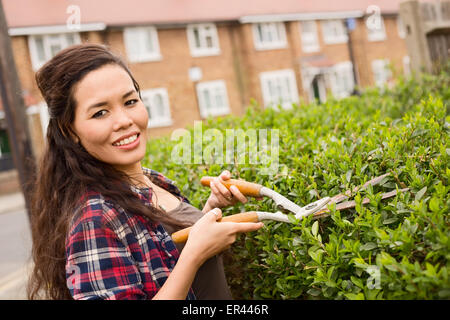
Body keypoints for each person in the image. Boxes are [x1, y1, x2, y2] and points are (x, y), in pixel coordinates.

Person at [27, 43, 263, 300]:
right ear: (69, 131)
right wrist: (195, 254)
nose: (125, 120)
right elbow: (187, 259)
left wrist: (210, 211)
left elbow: (164, 253)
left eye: (130, 101)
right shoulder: (94, 218)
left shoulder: (154, 181)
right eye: (100, 112)